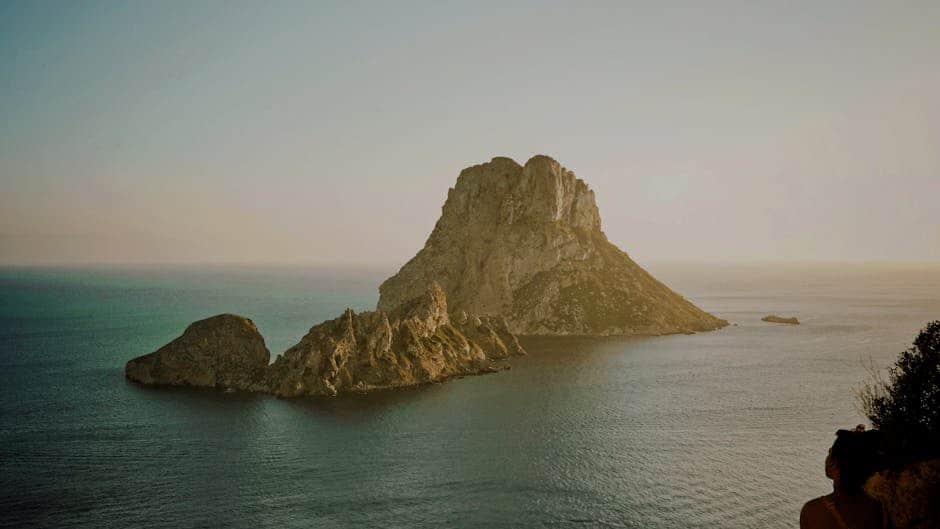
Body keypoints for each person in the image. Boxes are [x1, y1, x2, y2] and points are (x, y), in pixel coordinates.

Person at [800, 426, 889, 529]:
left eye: (830, 452)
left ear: (835, 463)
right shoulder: (877, 509)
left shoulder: (812, 510)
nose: (827, 458)